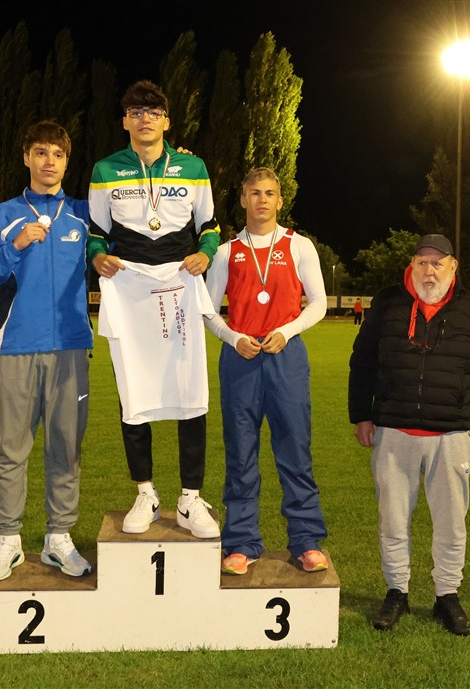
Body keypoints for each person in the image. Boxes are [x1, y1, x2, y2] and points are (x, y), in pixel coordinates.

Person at [349, 233, 470, 636]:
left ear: (453, 267)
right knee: (392, 520)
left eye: (438, 262)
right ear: (412, 265)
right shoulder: (388, 303)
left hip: (450, 434)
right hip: (393, 429)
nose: (429, 270)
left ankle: (447, 594)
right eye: (422, 262)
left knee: (451, 523)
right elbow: (363, 361)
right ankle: (396, 590)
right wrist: (361, 415)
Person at [87, 80, 222, 539]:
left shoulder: (193, 166)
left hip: (179, 284)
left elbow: (210, 226)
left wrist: (205, 253)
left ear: (167, 121)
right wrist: (97, 257)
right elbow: (96, 233)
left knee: (191, 390)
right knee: (133, 393)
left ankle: (190, 498)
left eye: (154, 112)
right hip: (129, 289)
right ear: (124, 121)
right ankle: (145, 492)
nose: (145, 119)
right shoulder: (105, 169)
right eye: (136, 112)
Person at [0, 120, 93, 581]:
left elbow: (135, 223)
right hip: (16, 348)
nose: (49, 162)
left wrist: (163, 163)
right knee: (10, 451)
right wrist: (15, 247)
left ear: (67, 161)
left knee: (66, 448)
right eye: (41, 152)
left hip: (71, 350)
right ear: (26, 158)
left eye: (57, 154)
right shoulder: (2, 216)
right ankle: (9, 541)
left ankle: (59, 538)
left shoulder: (84, 215)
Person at [204, 167, 329, 575]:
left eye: (270, 193)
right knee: (240, 452)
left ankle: (306, 540)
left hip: (285, 355)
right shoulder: (226, 252)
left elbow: (319, 303)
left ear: (280, 200)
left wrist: (287, 331)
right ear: (243, 199)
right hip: (240, 358)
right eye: (254, 193)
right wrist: (233, 337)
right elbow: (208, 310)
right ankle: (241, 542)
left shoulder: (299, 246)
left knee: (295, 448)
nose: (262, 200)